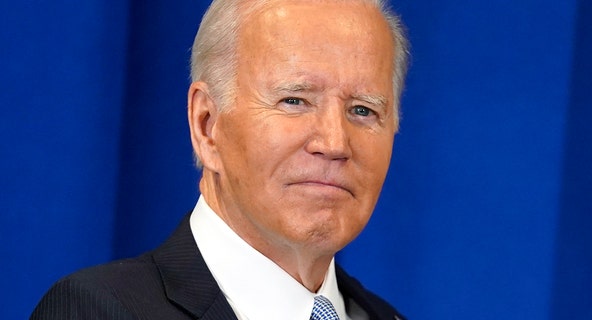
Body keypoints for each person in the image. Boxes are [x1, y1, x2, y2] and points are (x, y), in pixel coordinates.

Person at [31, 0, 409, 319]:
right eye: (294, 101)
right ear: (207, 125)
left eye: (363, 110)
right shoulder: (94, 310)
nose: (334, 142)